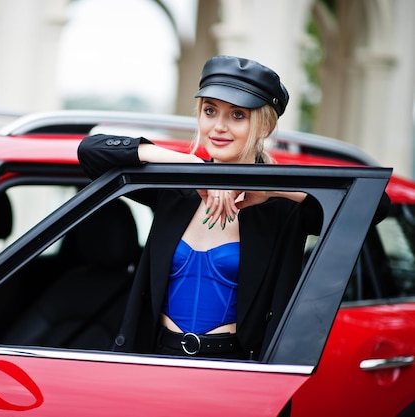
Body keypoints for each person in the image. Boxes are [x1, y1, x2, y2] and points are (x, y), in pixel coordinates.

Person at [77, 55, 390, 360]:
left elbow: (375, 207)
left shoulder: (282, 206)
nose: (219, 127)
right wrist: (187, 163)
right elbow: (90, 151)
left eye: (237, 115)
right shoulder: (175, 190)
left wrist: (272, 188)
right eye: (210, 111)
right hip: (158, 357)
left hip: (235, 366)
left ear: (265, 125)